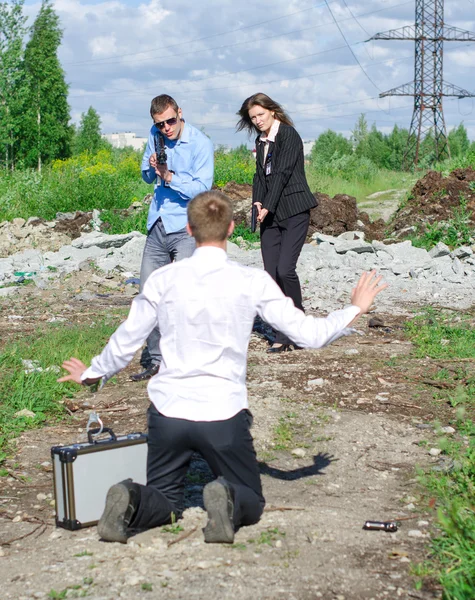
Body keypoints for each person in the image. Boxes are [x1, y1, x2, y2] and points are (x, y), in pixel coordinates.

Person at [58, 191, 387, 545]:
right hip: (222, 415)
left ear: (188, 229)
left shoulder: (163, 280)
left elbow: (127, 339)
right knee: (251, 498)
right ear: (231, 228)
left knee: (167, 500)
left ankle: (133, 502)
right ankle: (227, 500)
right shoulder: (251, 281)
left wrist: (92, 373)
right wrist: (354, 309)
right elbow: (309, 334)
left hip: (168, 414)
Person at [131, 94, 214, 381]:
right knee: (149, 294)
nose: (166, 128)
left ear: (180, 113)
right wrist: (151, 166)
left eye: (170, 120)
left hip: (187, 227)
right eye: (160, 123)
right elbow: (144, 176)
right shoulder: (155, 136)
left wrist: (169, 177)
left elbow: (203, 190)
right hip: (158, 223)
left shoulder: (201, 144)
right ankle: (156, 361)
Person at [237, 92, 317, 353]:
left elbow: (282, 173)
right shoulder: (261, 142)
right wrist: (258, 203)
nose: (258, 120)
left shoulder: (288, 136)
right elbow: (260, 177)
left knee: (285, 270)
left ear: (272, 111)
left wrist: (268, 204)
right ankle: (283, 333)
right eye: (253, 118)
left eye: (261, 114)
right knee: (270, 276)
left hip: (294, 210)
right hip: (270, 215)